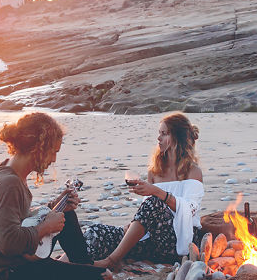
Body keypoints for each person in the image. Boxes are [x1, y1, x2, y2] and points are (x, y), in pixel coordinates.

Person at [0, 112, 128, 280]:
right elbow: (7, 242)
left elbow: (19, 220)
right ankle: (89, 274)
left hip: (16, 258)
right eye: (53, 151)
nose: (53, 160)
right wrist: (44, 228)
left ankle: (84, 264)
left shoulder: (3, 169)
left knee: (65, 213)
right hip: (6, 270)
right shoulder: (9, 183)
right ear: (38, 148)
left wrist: (55, 206)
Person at [86, 112, 204, 269]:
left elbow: (190, 209)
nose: (158, 138)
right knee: (98, 231)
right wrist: (133, 225)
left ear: (177, 138)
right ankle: (67, 264)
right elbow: (146, 214)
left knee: (154, 202)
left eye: (164, 133)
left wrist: (155, 191)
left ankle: (112, 261)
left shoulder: (192, 171)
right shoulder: (154, 171)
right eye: (159, 133)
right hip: (151, 242)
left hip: (178, 241)